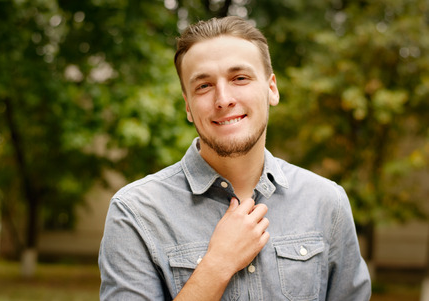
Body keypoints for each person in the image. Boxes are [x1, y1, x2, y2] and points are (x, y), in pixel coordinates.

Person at [98, 16, 371, 300]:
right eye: (203, 85)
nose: (223, 99)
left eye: (240, 78)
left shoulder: (327, 202)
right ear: (188, 107)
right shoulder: (135, 212)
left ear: (272, 89)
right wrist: (217, 265)